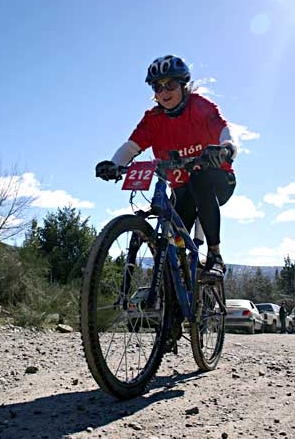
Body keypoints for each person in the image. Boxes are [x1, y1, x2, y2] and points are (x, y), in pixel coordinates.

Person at [96, 55, 237, 277]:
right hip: (182, 188)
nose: (163, 92)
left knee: (199, 181)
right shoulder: (153, 119)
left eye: (169, 84)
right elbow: (132, 146)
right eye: (157, 87)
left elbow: (223, 130)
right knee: (172, 233)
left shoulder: (199, 106)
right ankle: (174, 288)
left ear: (182, 85)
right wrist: (114, 165)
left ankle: (215, 255)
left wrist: (226, 148)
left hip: (217, 179)